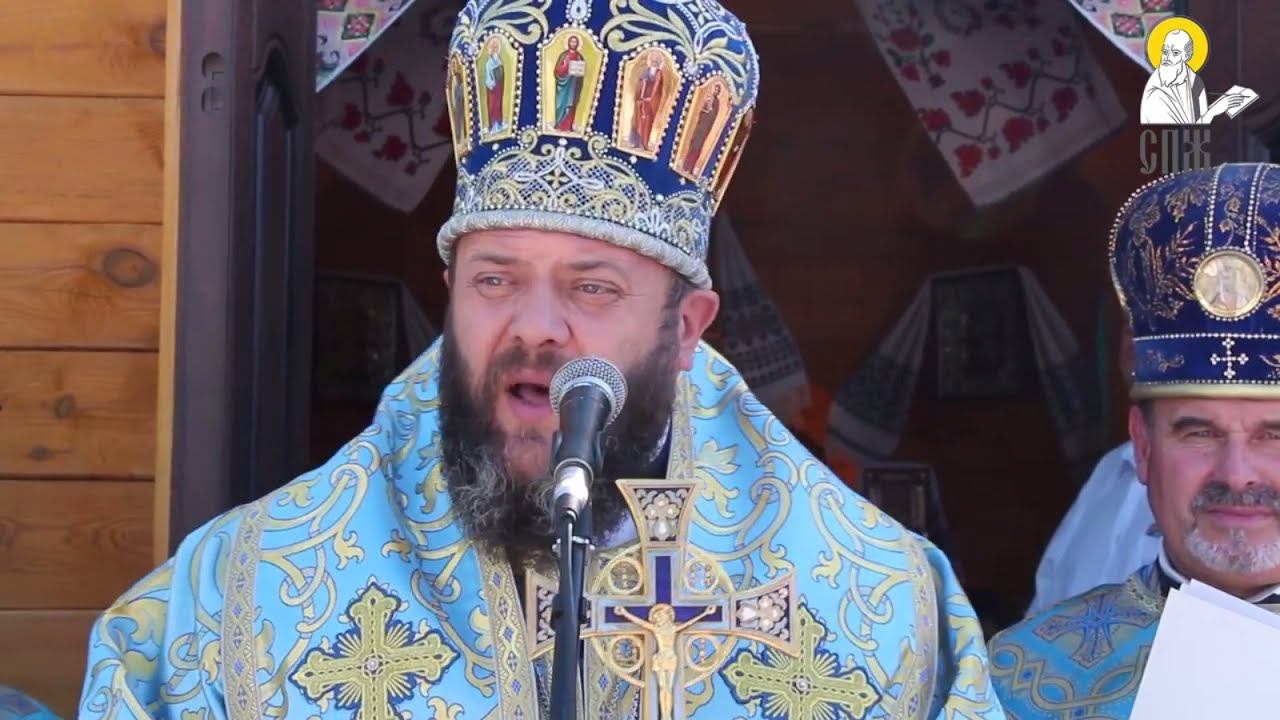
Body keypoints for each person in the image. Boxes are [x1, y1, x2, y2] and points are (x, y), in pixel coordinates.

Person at [79, 1, 1005, 718]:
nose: (536, 327)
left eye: (592, 287)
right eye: (496, 279)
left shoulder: (880, 605)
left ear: (687, 330)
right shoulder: (234, 601)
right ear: (452, 291)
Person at [989, 162, 1280, 718]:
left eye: (1274, 435)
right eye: (1199, 433)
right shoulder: (1022, 675)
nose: (1237, 473)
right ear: (1142, 448)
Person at [1025, 328, 1161, 616]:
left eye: (1155, 319)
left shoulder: (1234, 489)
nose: (1135, 337)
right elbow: (1046, 601)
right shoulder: (1111, 469)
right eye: (1129, 324)